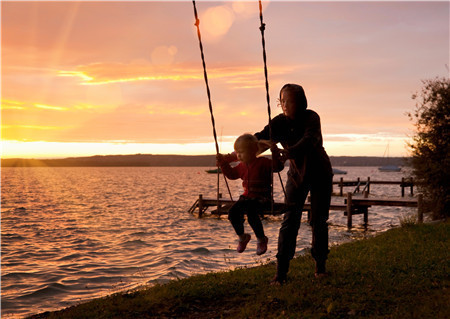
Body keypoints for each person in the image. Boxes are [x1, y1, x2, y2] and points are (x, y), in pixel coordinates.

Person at [256, 83, 333, 283]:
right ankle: (281, 274)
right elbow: (260, 139)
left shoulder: (311, 117)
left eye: (289, 100)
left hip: (320, 173)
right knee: (290, 221)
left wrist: (288, 152)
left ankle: (320, 267)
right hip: (297, 175)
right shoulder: (279, 123)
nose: (284, 105)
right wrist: (235, 154)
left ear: (300, 102)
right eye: (282, 101)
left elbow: (310, 140)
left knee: (318, 220)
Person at [216, 133, 285, 256]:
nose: (238, 155)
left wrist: (275, 153)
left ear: (253, 151)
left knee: (252, 213)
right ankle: (243, 237)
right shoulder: (242, 166)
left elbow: (277, 167)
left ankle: (261, 239)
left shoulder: (263, 162)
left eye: (241, 152)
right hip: (247, 199)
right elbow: (231, 175)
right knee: (232, 213)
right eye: (237, 152)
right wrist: (223, 164)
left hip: (262, 199)